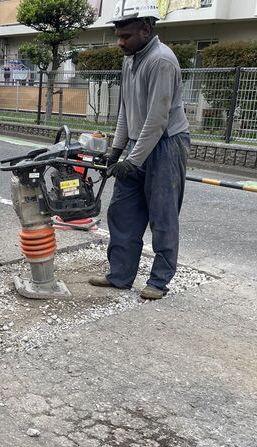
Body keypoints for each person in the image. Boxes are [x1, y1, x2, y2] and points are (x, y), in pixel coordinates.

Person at [88, 0, 190, 300]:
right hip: (137, 143)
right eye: (118, 36)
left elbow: (157, 120)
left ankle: (159, 281)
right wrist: (115, 150)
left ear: (146, 29)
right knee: (122, 212)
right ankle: (120, 275)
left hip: (166, 144)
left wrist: (131, 161)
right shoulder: (130, 59)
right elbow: (126, 110)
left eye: (126, 36)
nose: (120, 42)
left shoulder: (161, 61)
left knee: (162, 214)